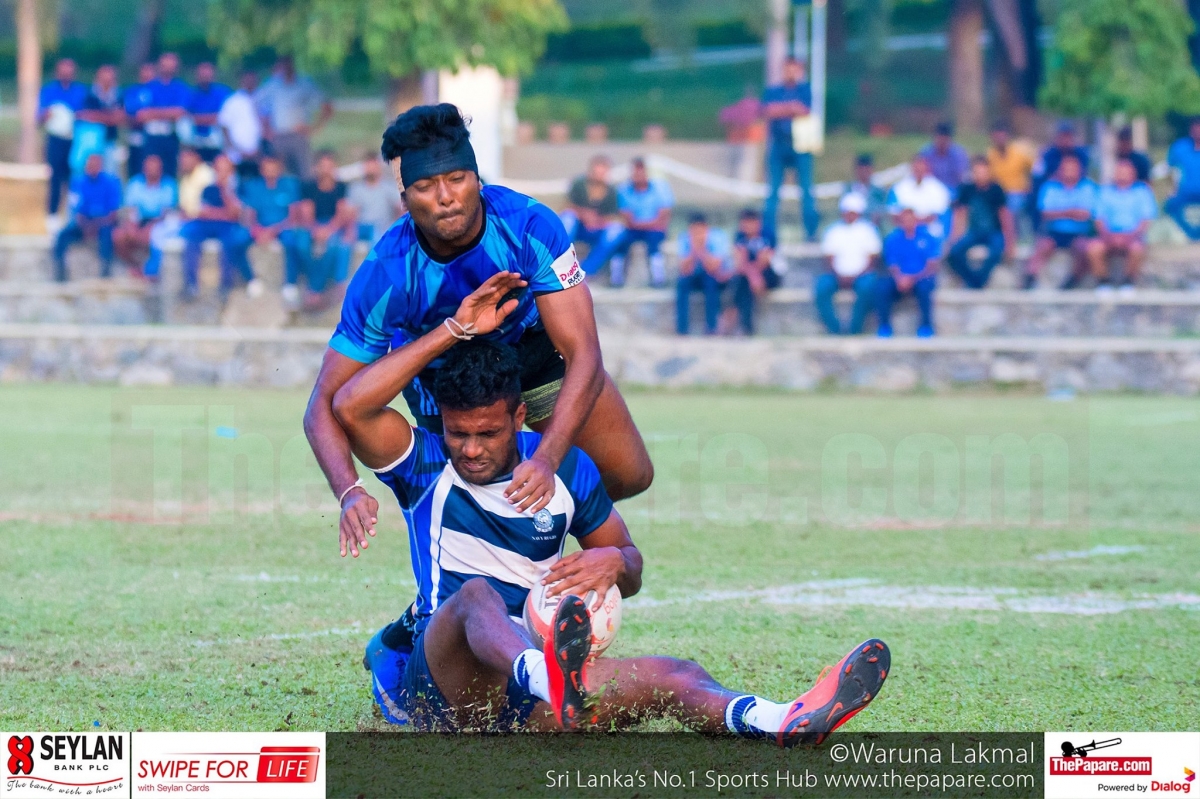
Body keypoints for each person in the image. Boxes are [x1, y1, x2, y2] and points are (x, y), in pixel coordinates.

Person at [330, 296, 890, 738]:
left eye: (488, 433)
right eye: (458, 433)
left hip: (530, 699)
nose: (471, 449)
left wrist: (613, 563)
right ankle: (552, 679)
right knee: (476, 596)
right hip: (447, 686)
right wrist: (451, 330)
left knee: (678, 675)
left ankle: (782, 721)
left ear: (520, 416)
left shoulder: (566, 468)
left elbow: (632, 564)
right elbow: (350, 405)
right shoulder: (424, 464)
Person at [304, 103, 654, 572]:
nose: (445, 197)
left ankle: (538, 540)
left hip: (533, 358)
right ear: (404, 198)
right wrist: (348, 490)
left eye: (457, 179)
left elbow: (584, 354)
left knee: (629, 474)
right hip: (445, 382)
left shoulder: (528, 225)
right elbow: (322, 405)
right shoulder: (386, 271)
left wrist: (547, 460)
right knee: (469, 520)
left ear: (477, 179)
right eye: (425, 187)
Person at [179, 154, 260, 300]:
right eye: (219, 169)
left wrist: (224, 191)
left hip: (227, 226)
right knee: (191, 235)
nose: (221, 173)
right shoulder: (208, 189)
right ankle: (191, 284)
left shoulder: (237, 188)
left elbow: (235, 214)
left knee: (230, 241)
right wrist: (223, 214)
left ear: (231, 171)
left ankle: (226, 286)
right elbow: (203, 212)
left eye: (225, 169)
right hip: (208, 224)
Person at [284, 150, 356, 309]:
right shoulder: (308, 187)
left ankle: (315, 288)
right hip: (312, 225)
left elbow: (341, 214)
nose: (326, 170)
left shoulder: (341, 187)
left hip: (332, 226)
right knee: (302, 245)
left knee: (333, 246)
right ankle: (309, 286)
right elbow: (306, 213)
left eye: (329, 166)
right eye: (323, 166)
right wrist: (316, 230)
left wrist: (328, 230)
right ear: (316, 167)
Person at [760, 56, 819, 242]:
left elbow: (803, 110)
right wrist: (790, 108)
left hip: (801, 145)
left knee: (807, 191)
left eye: (794, 69)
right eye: (788, 69)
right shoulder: (773, 91)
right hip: (779, 145)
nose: (791, 73)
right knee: (773, 193)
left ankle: (811, 233)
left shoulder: (805, 90)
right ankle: (769, 235)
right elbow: (768, 111)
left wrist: (782, 109)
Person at [1084, 157, 1157, 292]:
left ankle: (1128, 282)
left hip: (1133, 237)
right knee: (1094, 249)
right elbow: (1099, 219)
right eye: (1120, 172)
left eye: (1126, 172)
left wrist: (1128, 237)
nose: (1122, 175)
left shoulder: (1142, 192)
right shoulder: (1104, 192)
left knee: (1137, 249)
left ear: (1133, 174)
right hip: (1108, 236)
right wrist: (1110, 237)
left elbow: (1145, 220)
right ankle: (1103, 283)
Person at [1025, 153, 1097, 290]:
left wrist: (1060, 212)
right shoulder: (1050, 187)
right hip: (1054, 231)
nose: (1069, 172)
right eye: (1066, 168)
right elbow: (1045, 213)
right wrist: (1071, 212)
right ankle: (1029, 279)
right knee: (1042, 246)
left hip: (1078, 232)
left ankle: (1072, 281)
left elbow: (1085, 214)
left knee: (1084, 249)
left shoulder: (1087, 187)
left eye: (1073, 168)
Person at [254, 55, 332, 180]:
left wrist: (315, 128)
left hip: (298, 136)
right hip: (279, 136)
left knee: (305, 174)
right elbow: (257, 103)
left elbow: (326, 105)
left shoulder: (304, 84)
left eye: (288, 64)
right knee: (279, 175)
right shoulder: (273, 85)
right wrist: (265, 128)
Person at [945, 157, 1014, 290]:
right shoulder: (967, 189)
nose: (981, 175)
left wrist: (1010, 242)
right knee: (954, 253)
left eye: (983, 172)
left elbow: (1005, 216)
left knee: (996, 252)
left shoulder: (996, 190)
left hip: (993, 232)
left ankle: (977, 282)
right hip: (974, 232)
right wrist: (954, 237)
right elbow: (961, 214)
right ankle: (974, 281)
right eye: (977, 172)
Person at [816, 193, 881, 335]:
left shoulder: (868, 230)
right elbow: (829, 258)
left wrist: (856, 276)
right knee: (821, 287)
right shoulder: (833, 231)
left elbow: (872, 260)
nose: (849, 215)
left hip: (862, 275)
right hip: (836, 275)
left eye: (852, 212)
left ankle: (854, 329)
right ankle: (835, 329)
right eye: (847, 212)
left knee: (867, 287)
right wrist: (839, 275)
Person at [53, 152, 121, 282]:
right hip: (84, 224)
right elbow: (75, 210)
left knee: (107, 233)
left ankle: (106, 269)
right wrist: (86, 226)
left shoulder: (111, 182)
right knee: (62, 235)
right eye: (90, 165)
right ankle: (60, 269)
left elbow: (113, 213)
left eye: (96, 165)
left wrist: (97, 225)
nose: (93, 167)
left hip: (103, 223)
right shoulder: (78, 183)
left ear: (101, 166)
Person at [609, 158, 673, 288]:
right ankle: (616, 278)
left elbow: (664, 215)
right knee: (619, 242)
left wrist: (643, 224)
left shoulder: (660, 188)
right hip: (635, 229)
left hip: (654, 229)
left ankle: (658, 278)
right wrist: (644, 224)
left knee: (654, 243)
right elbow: (626, 217)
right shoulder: (624, 190)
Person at [876, 207, 938, 338]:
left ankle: (926, 326)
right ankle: (884, 327)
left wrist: (912, 279)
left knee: (924, 288)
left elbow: (931, 264)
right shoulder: (893, 239)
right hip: (900, 278)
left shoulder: (927, 237)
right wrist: (900, 278)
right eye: (905, 220)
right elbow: (892, 264)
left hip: (921, 277)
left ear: (916, 220)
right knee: (882, 288)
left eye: (911, 219)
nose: (908, 222)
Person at [39, 58, 89, 216]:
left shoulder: (81, 91)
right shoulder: (49, 91)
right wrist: (46, 115)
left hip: (76, 140)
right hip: (56, 139)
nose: (66, 75)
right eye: (63, 72)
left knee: (75, 177)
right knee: (55, 178)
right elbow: (39, 118)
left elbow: (87, 114)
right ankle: (52, 216)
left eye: (69, 72)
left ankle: (72, 215)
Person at [560, 155, 624, 278]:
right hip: (579, 226)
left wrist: (597, 221)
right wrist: (584, 215)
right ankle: (562, 261)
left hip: (598, 228)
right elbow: (568, 206)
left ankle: (586, 271)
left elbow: (614, 215)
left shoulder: (611, 190)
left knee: (617, 230)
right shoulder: (579, 184)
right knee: (568, 218)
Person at [113, 154, 177, 273]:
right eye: (149, 167)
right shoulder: (135, 183)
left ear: (161, 169)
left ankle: (150, 269)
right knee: (119, 236)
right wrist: (132, 226)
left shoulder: (169, 185)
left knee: (153, 235)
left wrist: (149, 228)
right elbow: (131, 209)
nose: (152, 170)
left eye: (155, 168)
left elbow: (166, 212)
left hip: (158, 222)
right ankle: (134, 266)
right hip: (138, 221)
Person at [675, 213, 733, 336]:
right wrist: (693, 250)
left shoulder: (717, 237)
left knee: (711, 283)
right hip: (693, 274)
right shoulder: (684, 238)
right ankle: (682, 329)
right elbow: (684, 269)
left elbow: (713, 267)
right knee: (682, 283)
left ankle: (711, 327)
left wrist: (702, 250)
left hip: (713, 275)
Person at [134, 52, 191, 178]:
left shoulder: (181, 88)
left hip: (170, 136)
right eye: (165, 65)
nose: (168, 68)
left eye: (171, 65)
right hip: (151, 137)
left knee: (169, 173)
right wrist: (168, 113)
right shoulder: (149, 87)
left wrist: (153, 113)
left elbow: (179, 113)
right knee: (149, 171)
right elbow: (141, 115)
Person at [728, 208, 780, 335]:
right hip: (749, 276)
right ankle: (745, 327)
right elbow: (739, 262)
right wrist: (752, 275)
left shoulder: (768, 235)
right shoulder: (739, 237)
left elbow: (764, 261)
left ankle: (732, 319)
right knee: (743, 283)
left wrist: (753, 275)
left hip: (770, 273)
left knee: (744, 284)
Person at [1032, 122, 1089, 230]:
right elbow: (1038, 174)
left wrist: (1069, 178)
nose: (1065, 140)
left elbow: (1083, 173)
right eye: (1063, 136)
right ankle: (1038, 229)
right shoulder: (1048, 154)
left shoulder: (1081, 154)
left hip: (1076, 187)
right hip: (1053, 188)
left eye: (1068, 136)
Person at [240, 153, 300, 253]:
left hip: (283, 228)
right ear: (261, 170)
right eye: (267, 169)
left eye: (273, 169)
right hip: (260, 227)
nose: (270, 173)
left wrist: (273, 231)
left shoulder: (289, 185)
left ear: (280, 170)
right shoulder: (253, 187)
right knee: (239, 239)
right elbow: (250, 215)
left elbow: (293, 217)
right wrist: (258, 231)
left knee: (292, 241)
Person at [985, 122, 1036, 233]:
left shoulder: (1019, 153)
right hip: (998, 193)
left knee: (1012, 204)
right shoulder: (990, 155)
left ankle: (1015, 233)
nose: (1000, 139)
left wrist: (1030, 186)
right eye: (997, 136)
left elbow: (1035, 169)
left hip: (1018, 192)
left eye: (1002, 135)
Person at [886, 154, 951, 238]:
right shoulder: (898, 188)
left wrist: (916, 221)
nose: (919, 170)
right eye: (916, 166)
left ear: (927, 167)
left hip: (929, 231)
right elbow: (893, 213)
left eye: (921, 167)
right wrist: (909, 222)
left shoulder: (939, 189)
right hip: (904, 230)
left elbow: (938, 214)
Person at [75, 64, 124, 175]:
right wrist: (109, 117)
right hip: (92, 144)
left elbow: (119, 117)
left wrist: (98, 116)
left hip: (110, 141)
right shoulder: (89, 95)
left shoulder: (119, 95)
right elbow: (85, 115)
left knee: (110, 173)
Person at [348, 153, 404, 245]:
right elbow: (351, 213)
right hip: (362, 227)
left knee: (377, 235)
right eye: (368, 165)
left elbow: (400, 207)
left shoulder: (388, 187)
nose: (371, 169)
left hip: (382, 227)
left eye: (373, 165)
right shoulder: (356, 188)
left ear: (378, 167)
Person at [219, 70, 264, 178]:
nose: (250, 81)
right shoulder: (232, 101)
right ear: (241, 81)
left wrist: (260, 149)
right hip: (236, 156)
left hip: (257, 155)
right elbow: (224, 127)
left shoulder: (262, 99)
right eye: (247, 79)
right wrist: (237, 150)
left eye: (252, 78)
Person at [185, 62, 232, 163]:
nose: (205, 77)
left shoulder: (222, 93)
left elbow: (225, 117)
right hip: (196, 139)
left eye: (208, 74)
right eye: (202, 74)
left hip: (217, 140)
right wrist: (211, 119)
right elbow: (186, 116)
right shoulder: (191, 93)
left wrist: (199, 119)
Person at [1165, 117, 1200, 241]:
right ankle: (1191, 233)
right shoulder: (1180, 147)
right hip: (1185, 192)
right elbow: (1171, 170)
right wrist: (1171, 189)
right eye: (1196, 127)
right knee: (1170, 205)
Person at [123, 63, 157, 179]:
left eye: (150, 71)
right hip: (135, 135)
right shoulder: (132, 91)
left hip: (154, 137)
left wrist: (151, 115)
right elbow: (129, 113)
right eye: (144, 71)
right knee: (135, 168)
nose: (147, 74)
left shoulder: (158, 90)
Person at [919, 121, 970, 192]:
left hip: (953, 189)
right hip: (931, 190)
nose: (942, 142)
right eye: (939, 138)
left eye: (944, 139)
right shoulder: (926, 153)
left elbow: (961, 177)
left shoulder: (959, 154)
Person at [847, 153, 888, 228]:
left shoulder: (878, 193)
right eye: (861, 169)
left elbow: (883, 212)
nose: (864, 172)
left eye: (866, 169)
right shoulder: (848, 190)